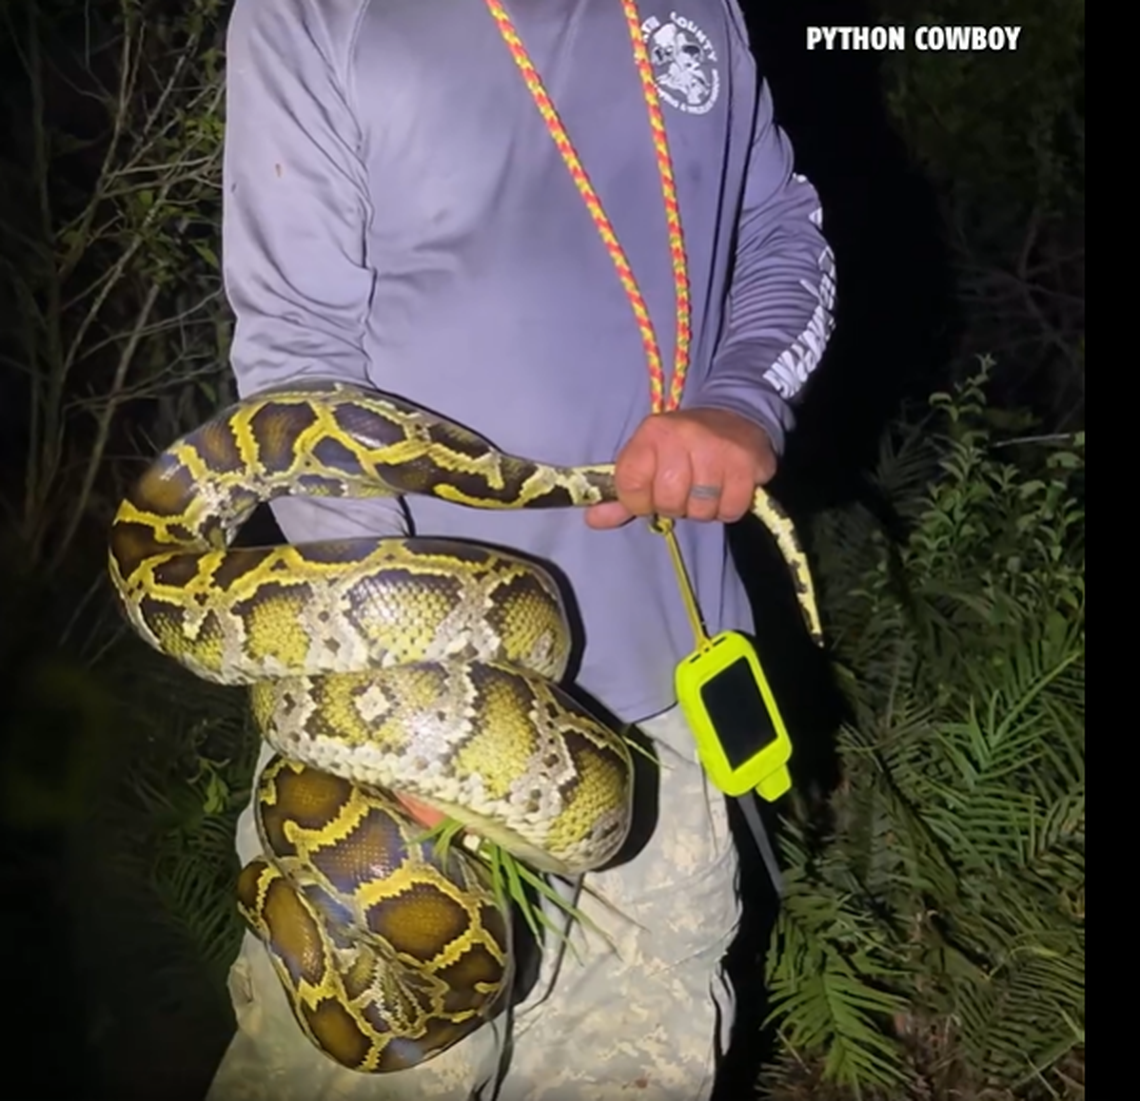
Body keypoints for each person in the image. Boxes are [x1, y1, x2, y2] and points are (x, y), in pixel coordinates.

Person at [206, 1, 835, 1099]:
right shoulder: (311, 13)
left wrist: (742, 400)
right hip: (397, 723)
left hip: (669, 703)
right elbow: (298, 351)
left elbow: (783, 231)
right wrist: (398, 719)